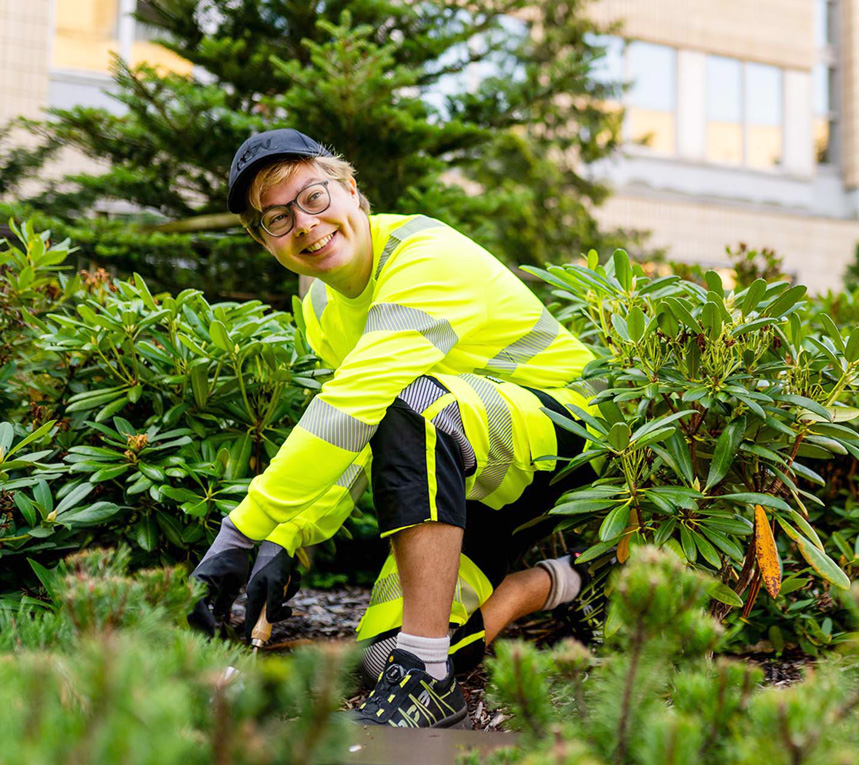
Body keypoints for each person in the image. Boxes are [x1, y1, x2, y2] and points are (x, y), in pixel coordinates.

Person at [188, 128, 606, 730]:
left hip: (569, 444)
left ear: (352, 190)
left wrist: (240, 536)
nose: (303, 224)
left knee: (412, 402)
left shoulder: (425, 254)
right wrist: (291, 536)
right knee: (385, 654)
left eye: (312, 197)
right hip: (475, 473)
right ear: (266, 242)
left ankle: (427, 681)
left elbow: (363, 405)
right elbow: (351, 431)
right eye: (275, 219)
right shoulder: (322, 309)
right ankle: (541, 585)